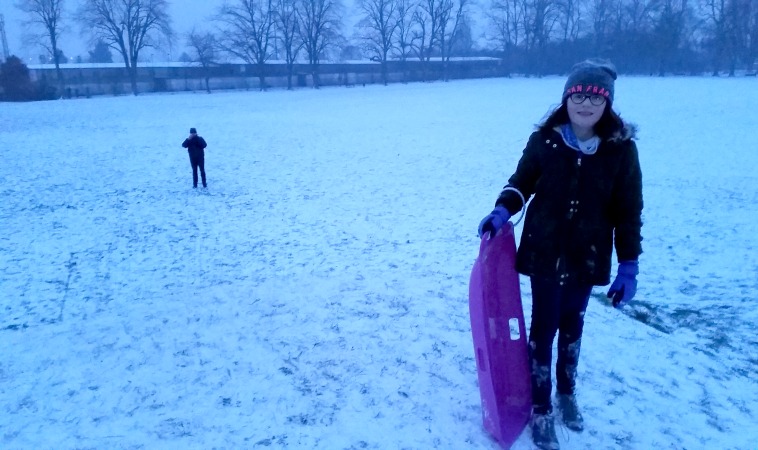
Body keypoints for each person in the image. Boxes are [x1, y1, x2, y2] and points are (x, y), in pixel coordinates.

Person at [477, 59, 643, 450]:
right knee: (543, 329)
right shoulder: (545, 142)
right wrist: (503, 210)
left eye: (595, 98)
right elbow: (521, 183)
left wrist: (629, 264)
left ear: (607, 104)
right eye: (578, 95)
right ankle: (540, 408)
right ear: (567, 98)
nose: (585, 104)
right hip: (545, 253)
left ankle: (566, 393)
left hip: (587, 256)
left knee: (574, 326)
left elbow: (628, 210)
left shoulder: (620, 151)